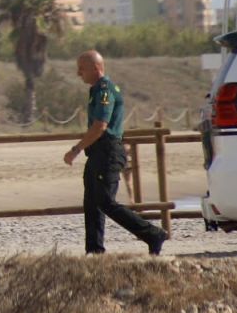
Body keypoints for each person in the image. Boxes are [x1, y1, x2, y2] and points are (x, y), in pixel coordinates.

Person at [64, 49, 166, 256]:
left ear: (96, 68)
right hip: (97, 153)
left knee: (105, 202)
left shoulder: (104, 90)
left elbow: (100, 125)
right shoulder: (95, 90)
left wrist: (76, 149)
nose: (78, 74)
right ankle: (94, 250)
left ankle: (152, 233)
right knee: (92, 202)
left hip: (107, 151)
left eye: (81, 69)